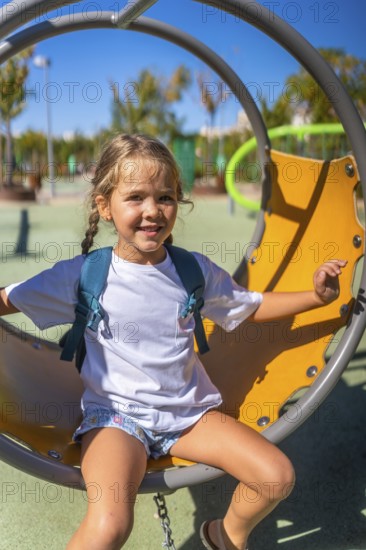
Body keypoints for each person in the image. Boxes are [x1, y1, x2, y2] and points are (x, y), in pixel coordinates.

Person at [0, 134, 346, 550]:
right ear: (104, 206)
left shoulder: (191, 271)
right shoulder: (84, 275)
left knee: (275, 477)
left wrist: (316, 297)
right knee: (110, 523)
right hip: (117, 418)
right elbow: (9, 298)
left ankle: (225, 535)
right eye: (135, 198)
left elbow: (249, 305)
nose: (152, 211)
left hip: (188, 415)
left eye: (164, 197)